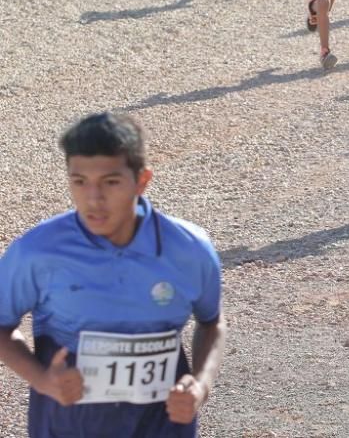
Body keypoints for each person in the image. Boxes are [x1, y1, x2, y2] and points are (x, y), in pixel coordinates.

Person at [0, 112, 226, 437]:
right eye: (80, 182)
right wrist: (43, 380)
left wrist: (201, 387)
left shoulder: (189, 250)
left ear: (142, 181)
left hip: (161, 425)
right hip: (68, 426)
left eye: (111, 182)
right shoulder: (37, 252)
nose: (94, 199)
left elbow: (212, 323)